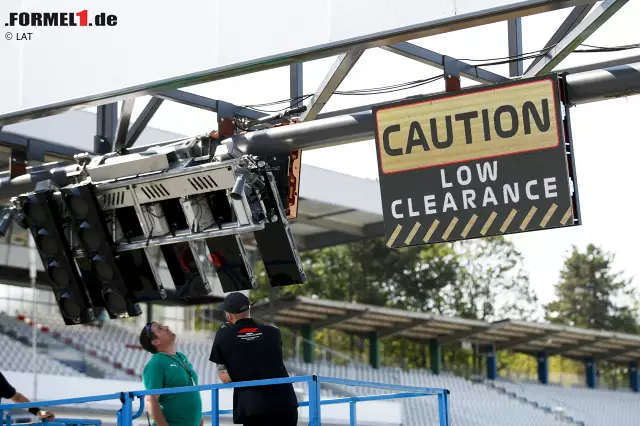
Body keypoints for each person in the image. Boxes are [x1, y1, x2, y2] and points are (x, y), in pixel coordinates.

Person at [209, 292, 299, 426]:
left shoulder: (223, 336)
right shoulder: (273, 332)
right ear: (249, 309)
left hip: (253, 408)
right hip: (285, 403)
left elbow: (225, 377)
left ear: (228, 315)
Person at [139, 322, 203, 426]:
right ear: (155, 341)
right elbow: (151, 400)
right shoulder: (156, 363)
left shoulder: (182, 357)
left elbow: (194, 394)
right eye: (160, 329)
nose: (166, 327)